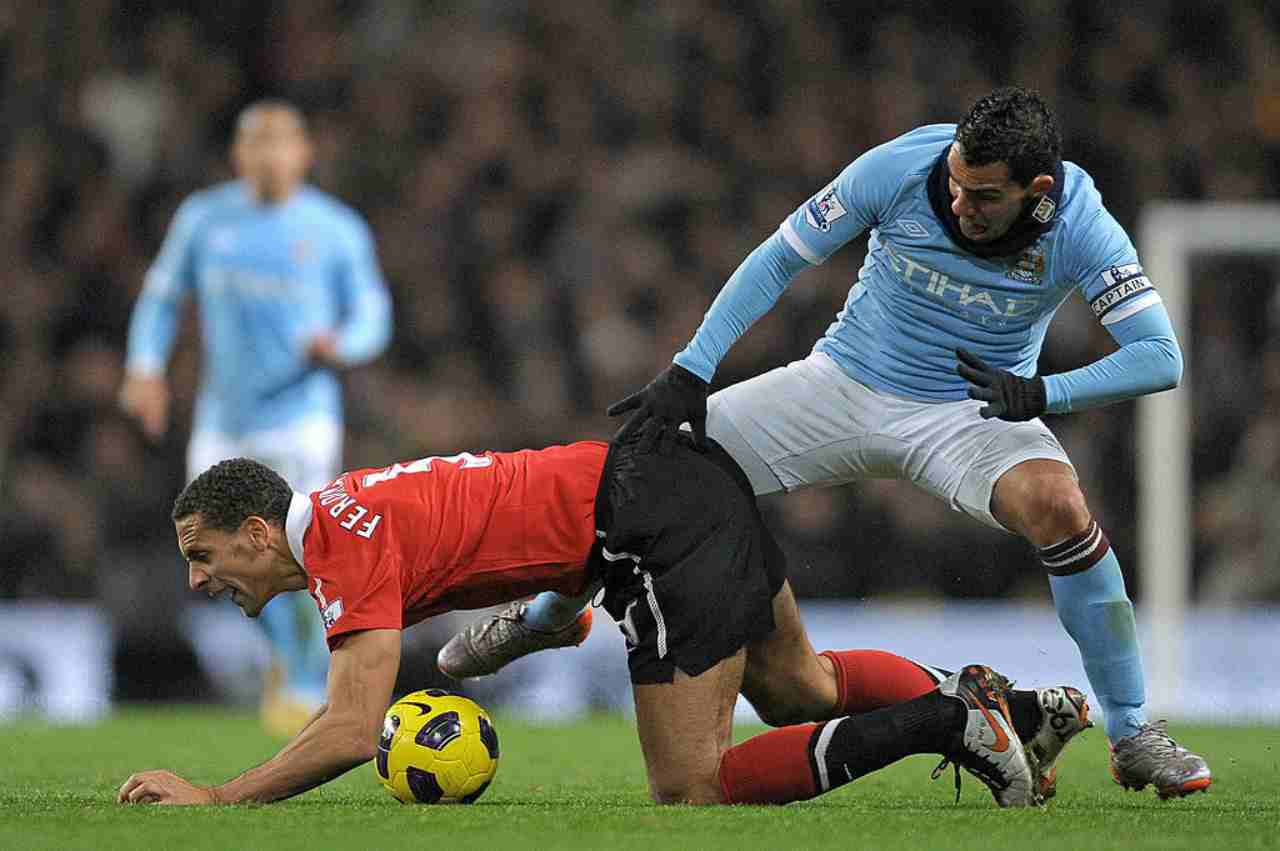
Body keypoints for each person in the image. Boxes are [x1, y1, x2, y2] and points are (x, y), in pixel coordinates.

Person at [447, 87, 1210, 799]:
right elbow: (782, 255)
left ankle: (1133, 729)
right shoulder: (902, 167)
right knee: (653, 459)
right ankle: (549, 616)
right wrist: (692, 367)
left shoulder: (1081, 223)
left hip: (972, 411)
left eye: (983, 196)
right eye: (955, 182)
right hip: (841, 384)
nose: (959, 202)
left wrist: (1045, 392)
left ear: (1036, 193)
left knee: (1060, 506)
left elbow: (1160, 357)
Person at [116, 427, 1090, 807]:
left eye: (202, 554)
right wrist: (546, 612)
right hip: (678, 479)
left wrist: (214, 794)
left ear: (254, 530)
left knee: (690, 781)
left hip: (646, 525)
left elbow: (341, 727)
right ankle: (1000, 704)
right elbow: (526, 513)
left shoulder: (338, 539)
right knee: (806, 687)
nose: (199, 580)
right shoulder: (353, 509)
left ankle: (952, 720)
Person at [119, 99, 393, 733]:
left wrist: (341, 345)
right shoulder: (204, 219)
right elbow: (161, 298)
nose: (269, 157)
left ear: (304, 153)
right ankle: (291, 662)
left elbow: (374, 314)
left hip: (301, 418)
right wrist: (143, 367)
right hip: (224, 420)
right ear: (239, 156)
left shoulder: (336, 228)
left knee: (297, 547)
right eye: (256, 145)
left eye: (282, 144)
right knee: (226, 553)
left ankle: (300, 677)